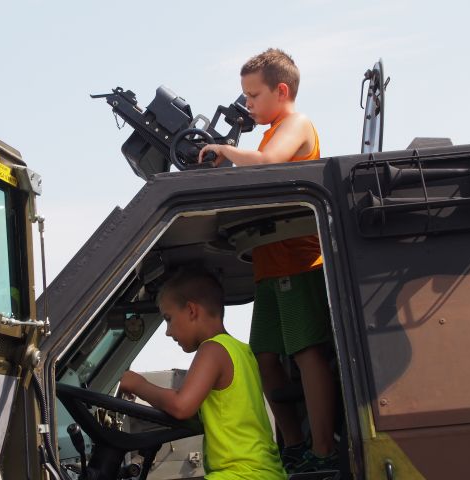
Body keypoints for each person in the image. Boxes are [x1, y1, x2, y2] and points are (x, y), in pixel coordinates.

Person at [199, 48, 337, 473]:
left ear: (281, 91)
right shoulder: (271, 130)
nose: (247, 104)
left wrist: (225, 150)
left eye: (253, 95)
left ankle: (323, 451)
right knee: (264, 354)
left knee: (306, 353)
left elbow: (269, 163)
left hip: (297, 262)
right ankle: (293, 443)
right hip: (269, 266)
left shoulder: (295, 124)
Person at [119, 268, 286, 480]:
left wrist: (137, 384)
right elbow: (200, 414)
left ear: (191, 310)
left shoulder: (212, 349)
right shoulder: (242, 352)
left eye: (168, 319)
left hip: (240, 475)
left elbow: (181, 406)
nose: (168, 331)